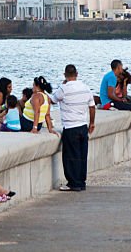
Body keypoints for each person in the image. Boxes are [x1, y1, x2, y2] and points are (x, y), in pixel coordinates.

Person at [50, 64, 96, 192]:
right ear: (77, 74)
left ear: (65, 75)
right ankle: (81, 182)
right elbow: (92, 107)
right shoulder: (85, 88)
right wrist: (91, 123)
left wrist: (62, 84)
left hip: (70, 126)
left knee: (70, 156)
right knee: (82, 155)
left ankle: (73, 183)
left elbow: (52, 100)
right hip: (82, 125)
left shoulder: (63, 89)